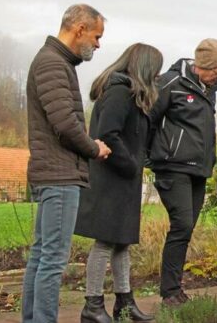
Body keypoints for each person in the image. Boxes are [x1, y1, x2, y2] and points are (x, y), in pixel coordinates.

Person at [22, 4, 112, 323]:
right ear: (79, 30)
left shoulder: (57, 61)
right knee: (53, 260)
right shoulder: (52, 63)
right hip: (59, 175)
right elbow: (64, 122)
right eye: (97, 36)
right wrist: (94, 148)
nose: (99, 44)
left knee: (42, 256)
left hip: (55, 173)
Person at [75, 43, 163, 323]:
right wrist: (132, 165)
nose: (157, 77)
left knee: (121, 243)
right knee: (104, 243)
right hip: (110, 179)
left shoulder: (130, 94)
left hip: (122, 180)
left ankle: (124, 304)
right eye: (156, 70)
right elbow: (108, 135)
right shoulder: (119, 93)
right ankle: (92, 306)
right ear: (145, 68)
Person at [148, 38, 217, 305]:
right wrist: (150, 156)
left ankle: (175, 288)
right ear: (202, 66)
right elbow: (148, 118)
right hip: (173, 167)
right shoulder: (171, 83)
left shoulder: (209, 89)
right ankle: (169, 291)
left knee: (187, 228)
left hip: (198, 170)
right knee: (181, 225)